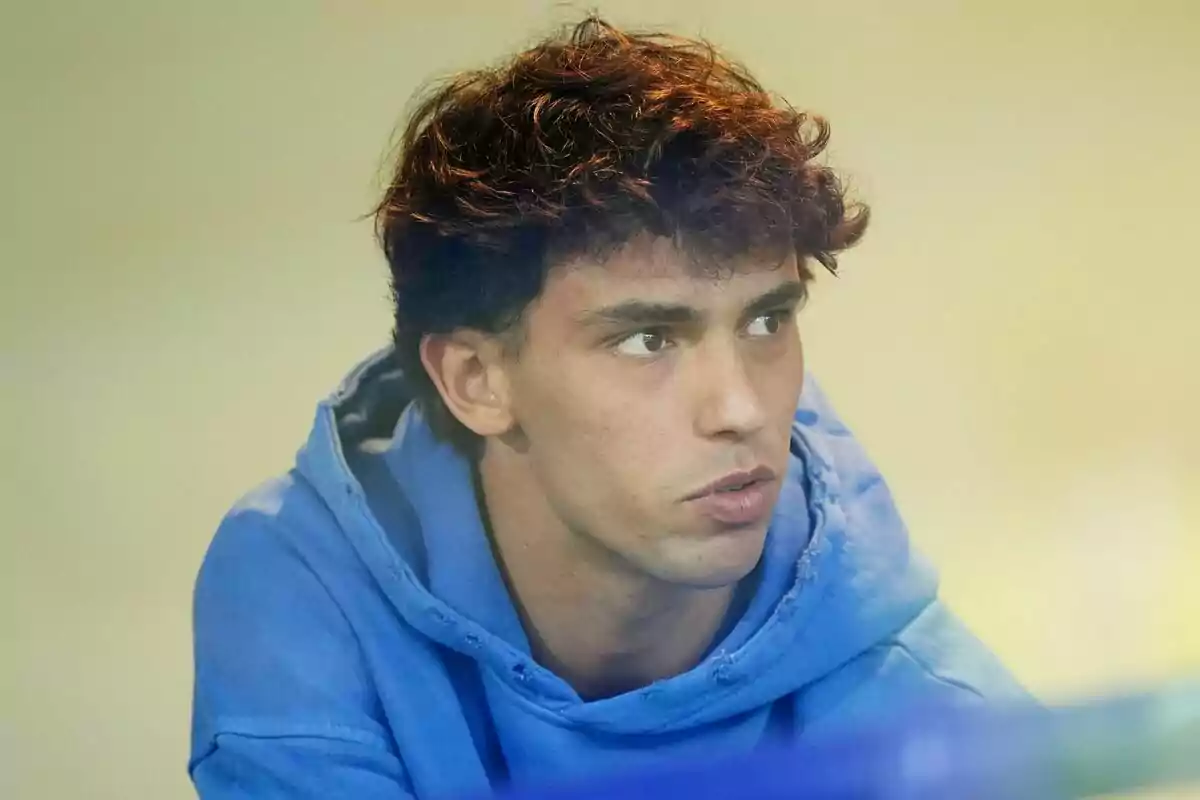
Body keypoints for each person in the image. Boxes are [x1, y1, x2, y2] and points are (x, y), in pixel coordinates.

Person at [189, 16, 1030, 799]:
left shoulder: (934, 719)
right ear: (477, 380)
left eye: (768, 321)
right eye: (647, 340)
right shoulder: (305, 589)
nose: (740, 408)